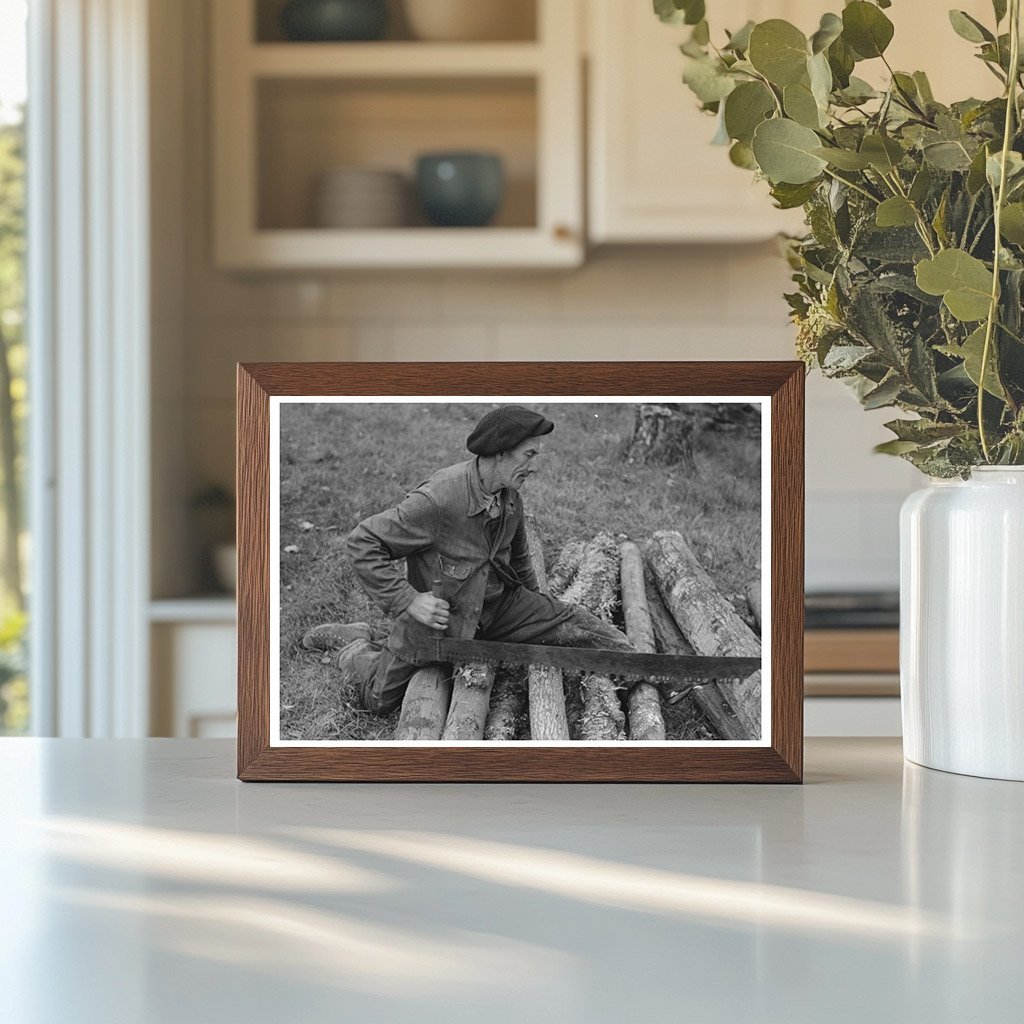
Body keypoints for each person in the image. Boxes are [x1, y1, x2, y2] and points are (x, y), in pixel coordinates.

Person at [310, 404, 634, 716]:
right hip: (437, 623)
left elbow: (519, 559)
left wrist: (538, 608)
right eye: (529, 455)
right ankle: (354, 646)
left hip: (498, 608)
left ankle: (641, 666)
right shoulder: (437, 500)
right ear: (501, 452)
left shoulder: (510, 498)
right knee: (378, 700)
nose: (535, 466)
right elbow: (364, 541)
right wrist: (409, 601)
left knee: (570, 622)